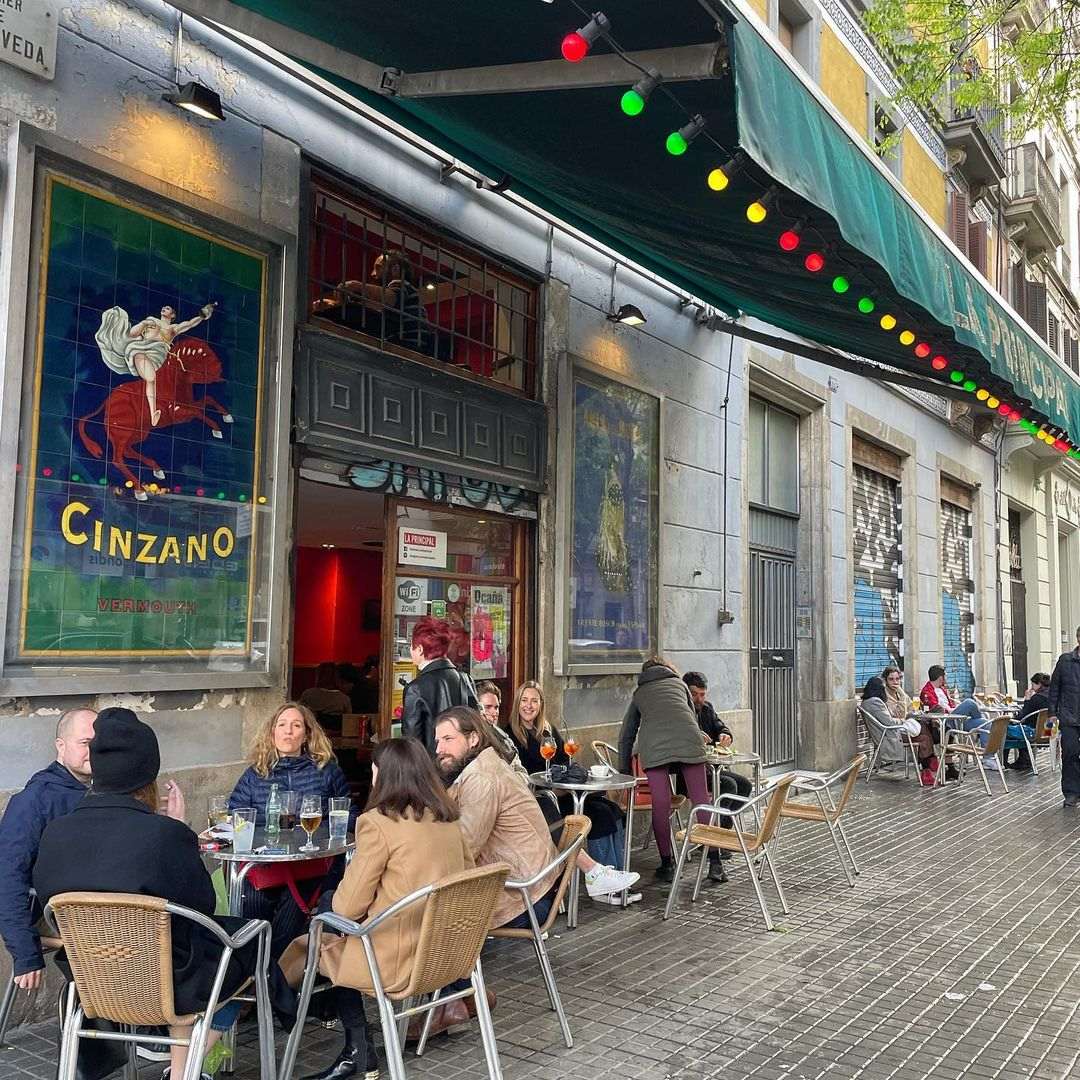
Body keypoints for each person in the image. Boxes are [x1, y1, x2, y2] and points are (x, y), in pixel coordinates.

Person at [33, 708, 272, 1080]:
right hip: (172, 984)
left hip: (93, 983)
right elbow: (202, 906)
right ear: (149, 776)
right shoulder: (165, 835)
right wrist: (178, 829)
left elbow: (52, 899)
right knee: (250, 938)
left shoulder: (55, 833)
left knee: (182, 945)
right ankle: (186, 1068)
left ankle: (179, 1067)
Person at [281, 738, 470, 1080]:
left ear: (382, 775)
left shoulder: (377, 823)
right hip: (448, 955)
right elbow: (470, 880)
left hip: (395, 960)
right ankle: (349, 1043)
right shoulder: (449, 820)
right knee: (332, 924)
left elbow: (348, 906)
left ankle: (354, 1047)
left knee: (329, 923)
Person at [424, 707, 559, 1037]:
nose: (439, 748)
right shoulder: (480, 767)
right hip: (532, 884)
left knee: (435, 912)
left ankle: (450, 1004)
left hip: (525, 894)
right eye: (437, 740)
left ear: (472, 738)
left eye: (448, 739)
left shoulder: (482, 778)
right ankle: (467, 994)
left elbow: (465, 847)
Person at [228, 703, 353, 958]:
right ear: (272, 732)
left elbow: (348, 815)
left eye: (296, 726)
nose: (288, 732)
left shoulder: (325, 771)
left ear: (306, 735)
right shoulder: (255, 775)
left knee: (294, 905)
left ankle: (271, 972)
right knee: (252, 901)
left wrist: (318, 835)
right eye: (282, 725)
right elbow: (237, 816)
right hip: (264, 865)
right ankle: (255, 966)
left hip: (313, 863)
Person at [504, 682, 639, 902]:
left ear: (541, 705)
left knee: (611, 809)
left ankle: (616, 877)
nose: (529, 706)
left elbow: (565, 763)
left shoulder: (547, 731)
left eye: (534, 701)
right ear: (517, 703)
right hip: (546, 799)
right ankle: (603, 886)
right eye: (525, 700)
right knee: (598, 815)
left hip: (565, 792)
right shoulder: (510, 735)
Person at [0, 709, 97, 993]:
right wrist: (25, 954)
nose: (93, 751)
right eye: (84, 743)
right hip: (50, 911)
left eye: (98, 743)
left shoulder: (105, 790)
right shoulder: (34, 800)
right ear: (60, 745)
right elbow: (7, 875)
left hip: (95, 902)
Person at [618, 657, 726, 884]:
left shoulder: (640, 693)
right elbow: (692, 718)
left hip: (655, 748)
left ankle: (667, 864)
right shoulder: (680, 685)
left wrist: (624, 772)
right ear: (668, 669)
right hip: (688, 740)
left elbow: (627, 735)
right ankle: (715, 862)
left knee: (661, 804)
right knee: (701, 800)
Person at [682, 672, 753, 841]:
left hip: (712, 768)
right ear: (685, 692)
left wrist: (725, 734)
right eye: (694, 694)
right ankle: (713, 837)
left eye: (702, 694)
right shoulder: (681, 713)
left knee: (745, 785)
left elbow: (720, 726)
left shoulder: (707, 708)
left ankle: (722, 831)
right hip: (687, 773)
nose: (699, 699)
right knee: (729, 786)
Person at [401, 617, 478, 754]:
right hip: (464, 765)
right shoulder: (466, 679)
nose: (410, 651)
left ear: (419, 649)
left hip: (433, 769)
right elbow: (477, 727)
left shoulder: (415, 688)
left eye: (411, 646)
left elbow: (412, 744)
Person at [861, 674, 937, 785]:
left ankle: (929, 765)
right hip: (889, 737)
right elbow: (890, 722)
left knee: (924, 728)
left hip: (889, 733)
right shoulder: (875, 702)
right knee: (924, 738)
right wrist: (904, 720)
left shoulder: (869, 701)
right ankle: (929, 766)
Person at [1048, 628, 1080, 807]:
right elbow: (1054, 689)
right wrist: (1051, 714)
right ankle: (1071, 792)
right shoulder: (1065, 661)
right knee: (1070, 753)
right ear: (1078, 639)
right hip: (1068, 716)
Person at [1007, 673, 1050, 771]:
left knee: (1007, 728)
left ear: (1039, 684)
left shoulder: (1037, 698)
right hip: (1050, 732)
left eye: (1033, 685)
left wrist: (1027, 699)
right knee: (1021, 727)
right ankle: (1024, 759)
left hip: (1036, 733)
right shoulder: (1053, 695)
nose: (1032, 688)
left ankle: (1016, 761)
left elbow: (1023, 715)